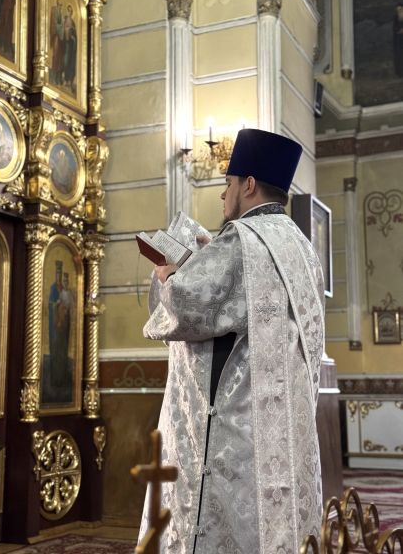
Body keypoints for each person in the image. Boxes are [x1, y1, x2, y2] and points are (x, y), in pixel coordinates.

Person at [139, 128, 325, 554]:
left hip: (234, 430)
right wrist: (210, 253)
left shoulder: (243, 239)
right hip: (279, 427)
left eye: (228, 184)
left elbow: (186, 304)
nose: (224, 195)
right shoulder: (301, 246)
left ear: (249, 184)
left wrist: (167, 272)